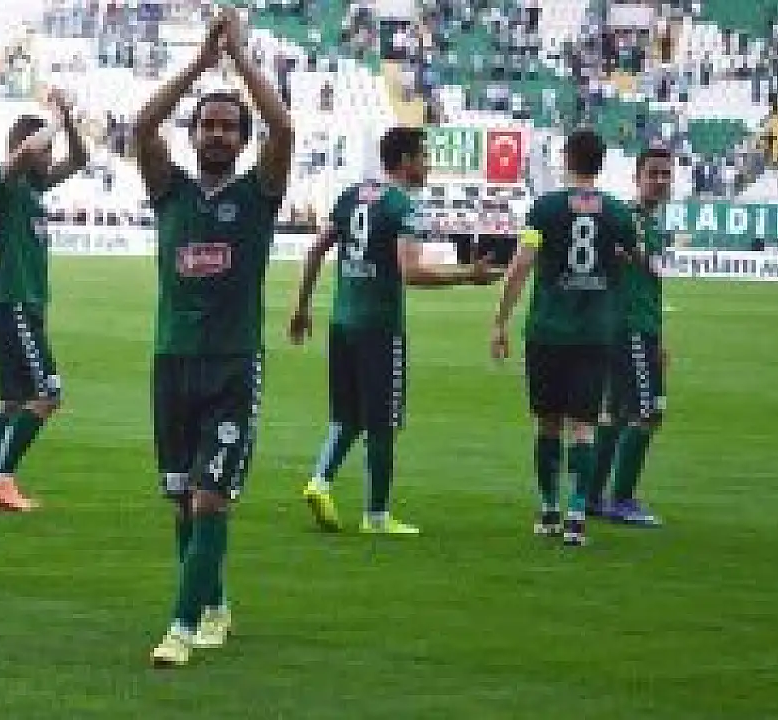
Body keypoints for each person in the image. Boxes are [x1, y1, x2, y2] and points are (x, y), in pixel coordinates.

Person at [131, 7, 293, 667]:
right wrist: (200, 64)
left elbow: (285, 128)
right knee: (180, 501)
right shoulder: (169, 191)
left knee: (209, 498)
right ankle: (214, 605)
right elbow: (143, 126)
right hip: (172, 363)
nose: (219, 132)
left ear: (243, 139)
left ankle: (180, 627)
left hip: (232, 366)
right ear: (194, 133)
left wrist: (241, 60)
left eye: (230, 126)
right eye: (209, 124)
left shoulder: (258, 194)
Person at [290, 127, 501, 536]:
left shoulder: (352, 195)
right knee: (382, 423)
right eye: (423, 156)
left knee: (346, 416)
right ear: (405, 160)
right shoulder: (403, 206)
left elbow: (315, 249)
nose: (427, 165)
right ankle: (376, 516)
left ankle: (319, 480)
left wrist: (302, 307)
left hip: (342, 323)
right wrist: (467, 275)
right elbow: (411, 271)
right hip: (379, 329)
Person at [490, 128, 636, 548]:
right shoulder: (618, 213)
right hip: (594, 333)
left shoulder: (545, 208)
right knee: (584, 428)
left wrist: (500, 321)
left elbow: (521, 265)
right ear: (601, 162)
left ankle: (549, 508)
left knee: (547, 423)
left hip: (548, 331)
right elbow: (631, 262)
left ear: (568, 159)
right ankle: (576, 515)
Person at [0, 88, 88, 511]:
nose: (49, 158)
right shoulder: (0, 184)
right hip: (15, 302)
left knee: (10, 400)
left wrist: (68, 120)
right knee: (48, 394)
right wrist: (55, 119)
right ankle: (0, 477)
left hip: (16, 303)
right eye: (46, 151)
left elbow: (80, 159)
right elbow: (25, 152)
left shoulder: (32, 188)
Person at [588, 145, 673, 526]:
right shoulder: (628, 221)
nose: (660, 180)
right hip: (630, 328)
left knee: (617, 413)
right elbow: (605, 261)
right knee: (648, 412)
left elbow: (649, 286)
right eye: (653, 173)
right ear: (636, 177)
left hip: (639, 327)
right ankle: (621, 500)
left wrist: (660, 337)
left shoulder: (652, 225)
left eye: (665, 174)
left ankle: (592, 497)